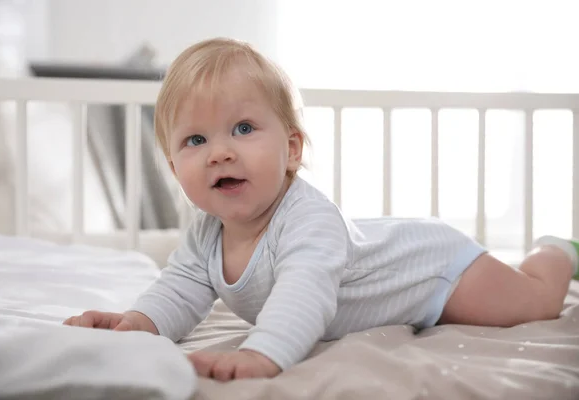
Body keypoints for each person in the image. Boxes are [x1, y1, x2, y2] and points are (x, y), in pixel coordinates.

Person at [63, 37, 578, 381]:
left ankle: (556, 250)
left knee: (535, 304)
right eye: (196, 139)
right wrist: (136, 324)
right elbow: (178, 291)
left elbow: (303, 296)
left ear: (291, 150)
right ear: (176, 171)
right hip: (395, 261)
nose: (220, 150)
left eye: (243, 129)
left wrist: (261, 354)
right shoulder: (205, 236)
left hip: (433, 270)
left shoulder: (307, 220)